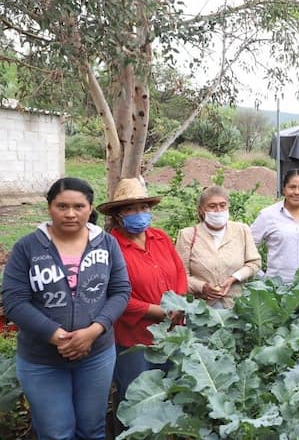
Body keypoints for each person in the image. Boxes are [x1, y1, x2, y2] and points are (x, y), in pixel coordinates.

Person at [2, 178, 131, 440]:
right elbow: (14, 301)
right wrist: (56, 336)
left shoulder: (107, 244)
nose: (70, 213)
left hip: (96, 355)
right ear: (49, 207)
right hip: (42, 360)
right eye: (62, 206)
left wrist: (93, 331)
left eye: (78, 206)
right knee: (55, 432)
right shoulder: (27, 248)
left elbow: (120, 291)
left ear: (90, 207)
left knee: (92, 429)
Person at [96, 178, 188, 403]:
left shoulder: (161, 238)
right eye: (131, 209)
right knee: (138, 398)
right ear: (118, 215)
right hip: (134, 339)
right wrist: (160, 311)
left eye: (144, 207)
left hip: (172, 333)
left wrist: (178, 304)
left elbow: (179, 272)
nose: (140, 213)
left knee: (171, 394)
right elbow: (111, 294)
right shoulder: (108, 246)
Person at [175, 186, 262, 308]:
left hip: (236, 308)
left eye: (222, 205)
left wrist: (234, 278)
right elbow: (180, 275)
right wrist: (202, 287)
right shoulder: (187, 235)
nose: (218, 210)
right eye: (212, 206)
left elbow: (254, 264)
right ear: (201, 210)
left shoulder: (241, 230)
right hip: (200, 310)